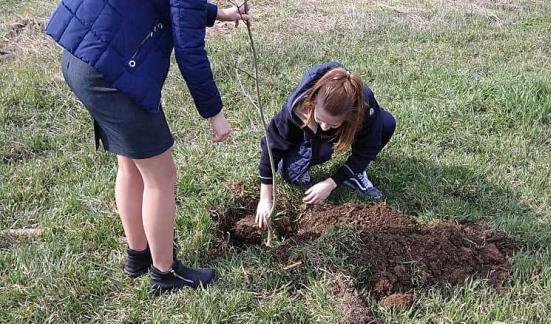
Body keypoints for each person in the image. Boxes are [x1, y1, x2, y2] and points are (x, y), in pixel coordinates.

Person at [45, 0, 250, 293]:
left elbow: (173, 4)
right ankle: (165, 274)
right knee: (161, 178)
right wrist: (214, 113)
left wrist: (218, 13)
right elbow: (189, 50)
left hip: (82, 54)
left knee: (129, 164)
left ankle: (138, 255)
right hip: (111, 73)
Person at [256, 62, 396, 228]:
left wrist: (332, 182)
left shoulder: (363, 106)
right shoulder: (298, 106)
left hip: (346, 123)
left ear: (350, 116)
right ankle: (292, 160)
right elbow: (271, 147)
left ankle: (353, 175)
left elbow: (367, 149)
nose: (324, 127)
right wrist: (265, 199)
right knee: (313, 157)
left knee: (386, 124)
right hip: (307, 129)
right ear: (313, 102)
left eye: (333, 124)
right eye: (321, 119)